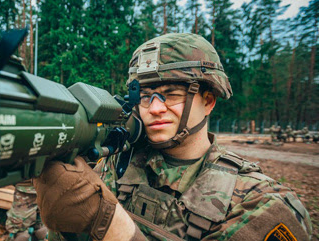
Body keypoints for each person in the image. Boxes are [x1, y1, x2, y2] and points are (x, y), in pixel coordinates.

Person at [32, 33, 313, 241]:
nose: (154, 108)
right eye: (144, 96)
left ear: (209, 100)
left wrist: (105, 219)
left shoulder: (262, 202)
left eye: (172, 95)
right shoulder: (117, 164)